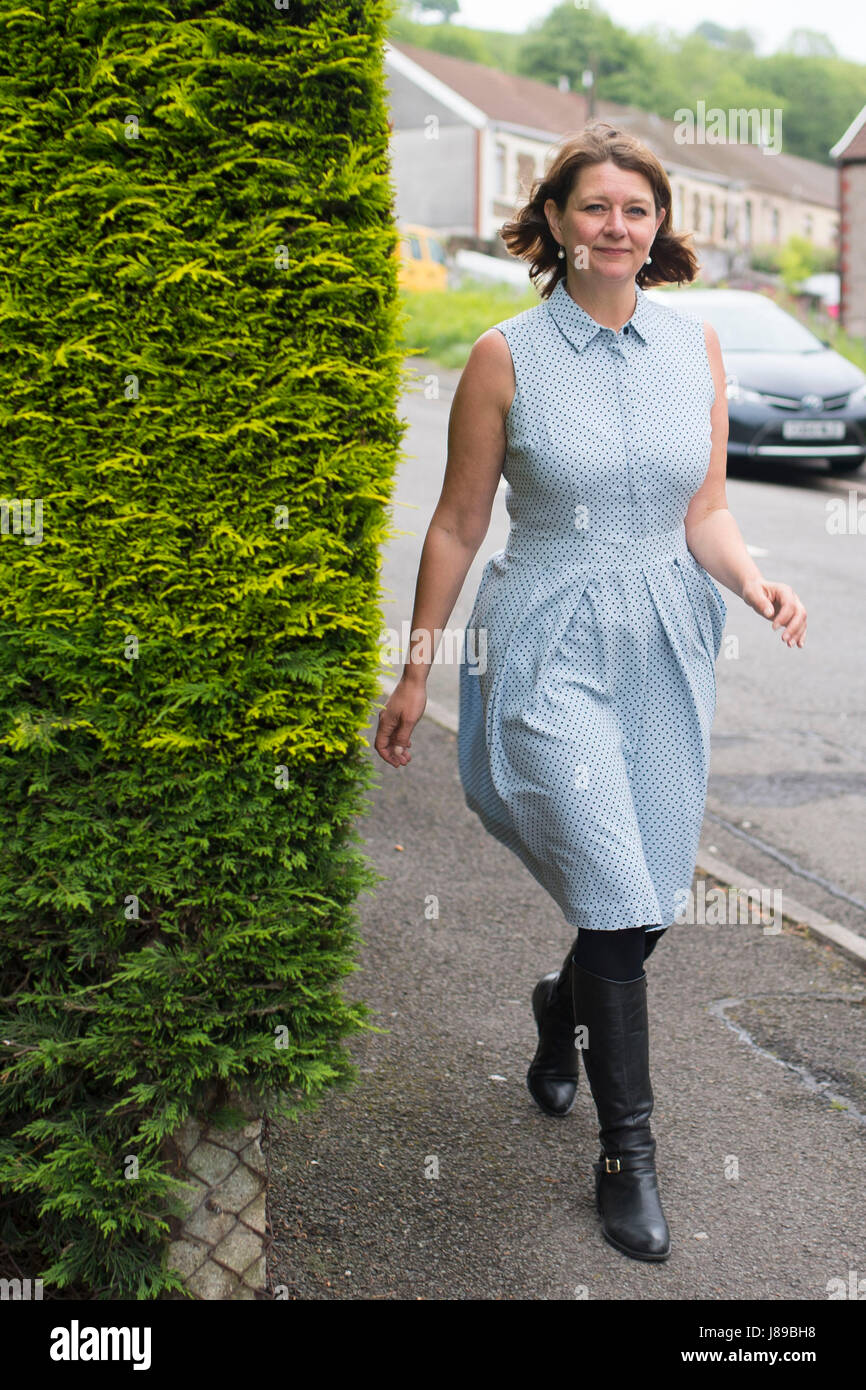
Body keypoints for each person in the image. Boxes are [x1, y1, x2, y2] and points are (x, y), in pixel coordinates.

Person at [374, 121, 807, 1263]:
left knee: (647, 897)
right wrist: (417, 670)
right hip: (547, 638)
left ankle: (557, 1008)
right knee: (615, 888)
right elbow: (459, 521)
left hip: (664, 635)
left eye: (636, 209)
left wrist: (755, 582)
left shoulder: (696, 349)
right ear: (555, 222)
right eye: (594, 208)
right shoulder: (503, 356)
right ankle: (629, 1153)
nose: (616, 227)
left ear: (655, 227)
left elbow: (702, 510)